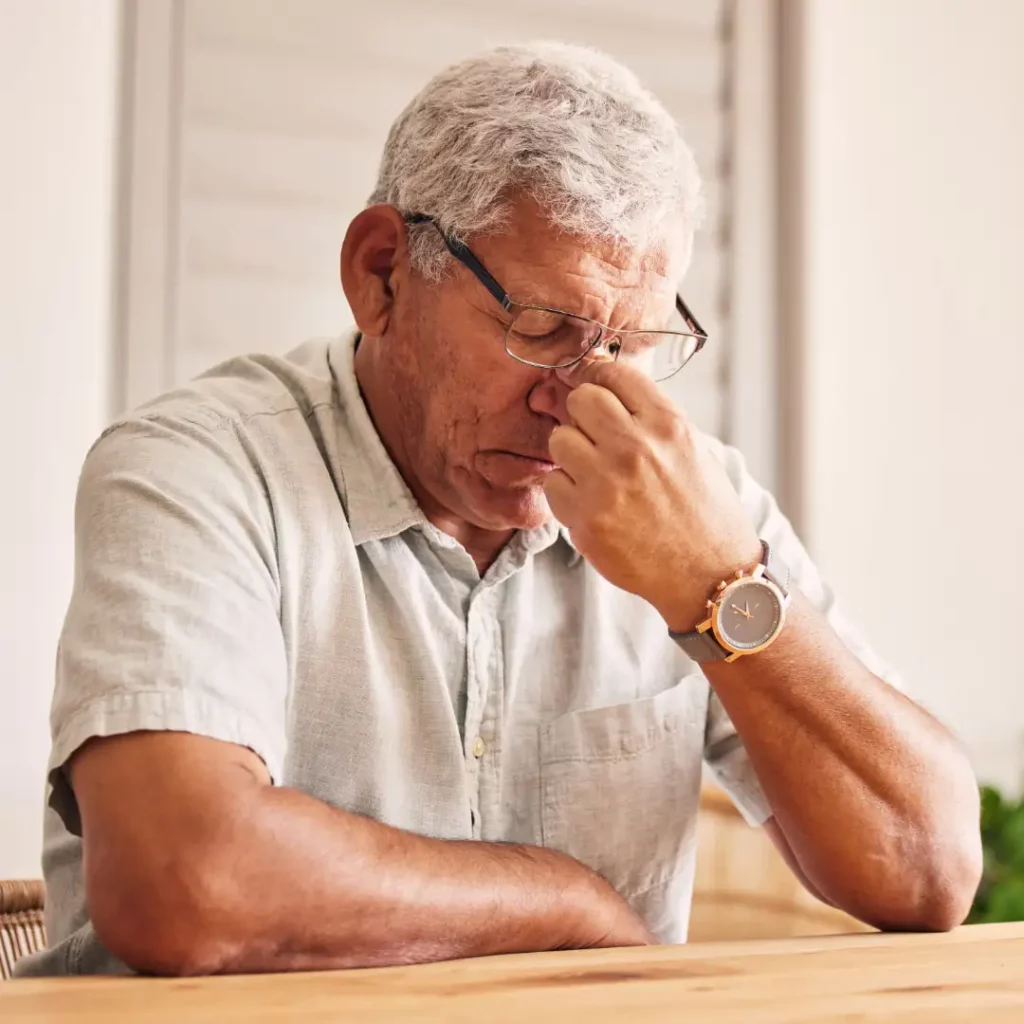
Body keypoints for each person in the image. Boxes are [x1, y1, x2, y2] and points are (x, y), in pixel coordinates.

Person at [18, 42, 981, 978]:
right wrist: (563, 903)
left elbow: (930, 872)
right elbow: (181, 878)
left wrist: (720, 589)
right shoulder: (197, 469)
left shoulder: (688, 501)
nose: (582, 398)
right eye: (544, 328)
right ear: (382, 273)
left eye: (629, 345)